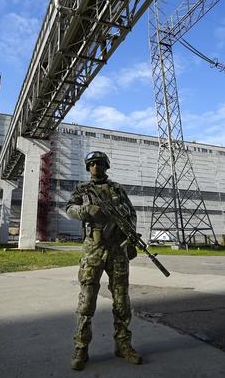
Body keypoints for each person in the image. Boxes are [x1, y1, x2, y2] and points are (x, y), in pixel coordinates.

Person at [66, 151, 143, 371]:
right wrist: (85, 210)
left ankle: (123, 344)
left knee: (121, 299)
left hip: (117, 249)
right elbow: (68, 209)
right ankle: (81, 347)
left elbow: (131, 214)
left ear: (106, 166)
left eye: (99, 163)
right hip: (94, 248)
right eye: (91, 164)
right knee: (87, 298)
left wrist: (131, 238)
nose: (95, 167)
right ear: (88, 167)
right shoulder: (82, 189)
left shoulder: (117, 189)